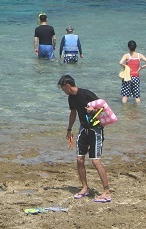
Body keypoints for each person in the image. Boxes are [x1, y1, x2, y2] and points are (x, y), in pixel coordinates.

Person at [58, 75, 111, 203]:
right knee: (80, 159)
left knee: (95, 162)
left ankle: (106, 192)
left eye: (62, 88)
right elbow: (73, 112)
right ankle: (85, 188)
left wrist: (93, 110)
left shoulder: (86, 94)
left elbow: (104, 108)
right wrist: (69, 130)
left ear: (67, 86)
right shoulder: (71, 98)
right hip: (83, 130)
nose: (62, 91)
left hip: (95, 130)